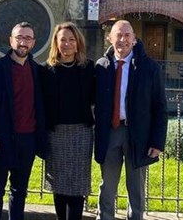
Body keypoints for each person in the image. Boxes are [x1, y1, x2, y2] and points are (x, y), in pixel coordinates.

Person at [94, 20, 167, 220]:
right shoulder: (101, 66)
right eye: (118, 35)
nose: (123, 40)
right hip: (110, 132)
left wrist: (157, 142)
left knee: (136, 187)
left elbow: (160, 107)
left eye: (127, 35)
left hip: (138, 135)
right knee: (107, 185)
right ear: (110, 38)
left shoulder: (149, 68)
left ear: (134, 39)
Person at [0, 22, 47, 220]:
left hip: (28, 141)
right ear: (11, 40)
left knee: (20, 190)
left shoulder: (38, 71)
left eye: (27, 38)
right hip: (0, 141)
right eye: (19, 38)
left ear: (33, 43)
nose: (23, 42)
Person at [40, 22, 95, 220]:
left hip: (81, 133)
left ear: (78, 42)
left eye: (71, 40)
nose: (67, 44)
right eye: (63, 39)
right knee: (59, 186)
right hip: (56, 134)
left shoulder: (89, 68)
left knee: (77, 187)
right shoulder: (46, 70)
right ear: (56, 42)